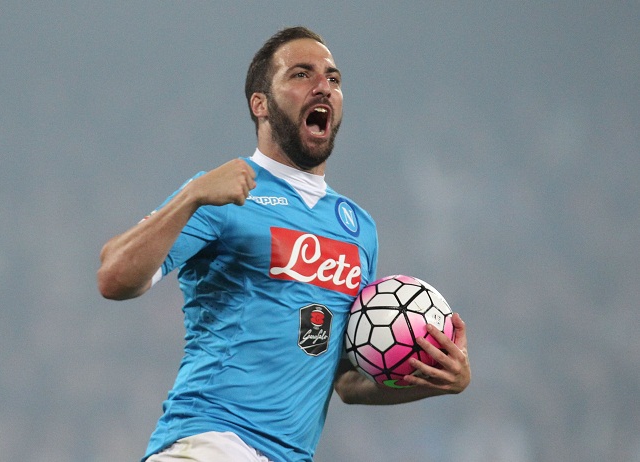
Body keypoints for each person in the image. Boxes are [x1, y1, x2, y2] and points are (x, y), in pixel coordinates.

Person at [98, 26, 470, 462]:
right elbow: (113, 276)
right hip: (211, 442)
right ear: (261, 104)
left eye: (333, 79)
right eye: (301, 74)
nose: (323, 87)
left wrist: (436, 379)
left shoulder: (358, 229)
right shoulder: (224, 193)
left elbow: (345, 380)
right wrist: (191, 195)